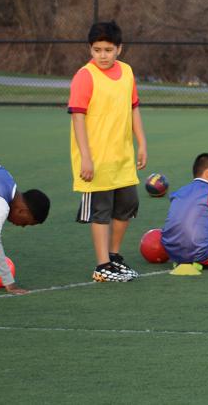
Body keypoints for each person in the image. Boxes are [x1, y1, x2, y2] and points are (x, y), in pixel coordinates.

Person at [69, 20, 147, 282]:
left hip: (122, 156)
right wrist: (86, 158)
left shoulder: (127, 72)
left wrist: (142, 142)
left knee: (128, 205)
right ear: (90, 49)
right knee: (101, 209)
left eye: (108, 50)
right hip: (96, 159)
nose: (102, 55)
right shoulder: (84, 76)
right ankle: (101, 265)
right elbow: (78, 118)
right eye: (97, 50)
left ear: (119, 49)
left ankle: (113, 257)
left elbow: (133, 108)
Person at [0, 159, 50, 294]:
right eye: (26, 223)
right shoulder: (0, 205)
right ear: (22, 211)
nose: (21, 226)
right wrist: (9, 283)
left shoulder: (7, 178)